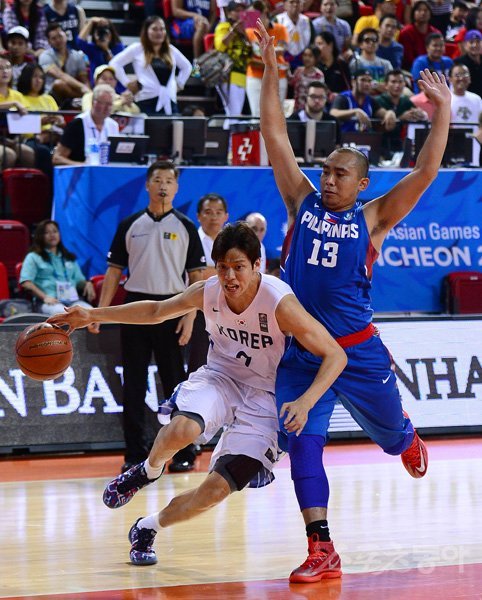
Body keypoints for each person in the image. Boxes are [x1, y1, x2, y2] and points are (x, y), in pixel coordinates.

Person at [256, 17, 451, 583]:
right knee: (304, 445)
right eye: (326, 171)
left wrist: (444, 113)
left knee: (392, 439)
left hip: (359, 350)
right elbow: (274, 135)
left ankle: (407, 436)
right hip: (304, 353)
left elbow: (428, 169)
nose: (329, 178)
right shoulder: (302, 201)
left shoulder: (374, 217)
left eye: (340, 174)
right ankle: (322, 547)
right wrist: (271, 71)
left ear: (362, 183)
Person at [48, 222, 347, 567]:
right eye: (222, 267)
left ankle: (147, 527)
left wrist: (307, 400)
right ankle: (148, 469)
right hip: (221, 378)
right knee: (183, 430)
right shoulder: (208, 291)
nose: (230, 277)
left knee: (215, 491)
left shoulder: (279, 302)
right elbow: (157, 311)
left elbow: (335, 354)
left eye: (238, 267)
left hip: (266, 396)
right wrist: (93, 314)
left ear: (256, 266)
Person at [88, 161, 205, 474]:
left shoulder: (186, 227)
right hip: (136, 307)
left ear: (177, 187)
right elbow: (114, 273)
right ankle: (135, 452)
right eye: (158, 180)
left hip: (173, 306)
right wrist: (99, 312)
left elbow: (197, 276)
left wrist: (190, 315)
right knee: (134, 384)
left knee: (176, 385)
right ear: (147, 185)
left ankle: (183, 451)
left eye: (169, 180)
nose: (163, 185)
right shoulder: (130, 224)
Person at [110, 16, 191, 116]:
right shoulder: (137, 48)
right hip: (146, 100)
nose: (159, 32)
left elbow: (187, 67)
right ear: (146, 31)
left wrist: (179, 83)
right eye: (154, 29)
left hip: (169, 100)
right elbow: (114, 63)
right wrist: (127, 83)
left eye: (162, 29)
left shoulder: (171, 50)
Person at [187, 193, 230, 373]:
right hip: (199, 310)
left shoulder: (232, 241)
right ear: (198, 215)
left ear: (226, 216)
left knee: (230, 366)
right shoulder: (190, 239)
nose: (214, 217)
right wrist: (226, 269)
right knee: (198, 364)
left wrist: (207, 270)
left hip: (230, 312)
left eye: (219, 212)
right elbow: (196, 275)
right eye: (208, 212)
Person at [20, 219, 95, 315]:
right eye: (47, 232)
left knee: (91, 313)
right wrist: (44, 297)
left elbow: (79, 281)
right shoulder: (33, 257)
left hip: (73, 301)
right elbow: (26, 283)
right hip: (48, 302)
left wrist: (87, 284)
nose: (52, 235)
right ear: (40, 236)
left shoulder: (68, 257)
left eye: (55, 231)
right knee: (62, 314)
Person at [52, 84, 119, 165]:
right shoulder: (77, 124)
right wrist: (83, 166)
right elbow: (57, 158)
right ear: (93, 102)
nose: (107, 108)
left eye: (110, 104)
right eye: (103, 103)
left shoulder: (113, 125)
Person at [245, 0, 289, 117]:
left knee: (277, 116)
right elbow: (248, 58)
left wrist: (262, 53)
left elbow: (282, 51)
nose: (251, 17)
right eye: (250, 14)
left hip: (278, 76)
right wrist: (271, 56)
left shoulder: (280, 28)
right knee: (257, 115)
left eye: (255, 14)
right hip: (255, 76)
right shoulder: (248, 31)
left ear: (265, 12)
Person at [214, 1, 252, 121]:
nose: (240, 13)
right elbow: (220, 46)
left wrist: (245, 34)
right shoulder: (223, 26)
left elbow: (252, 53)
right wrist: (233, 30)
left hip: (242, 75)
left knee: (234, 114)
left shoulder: (246, 31)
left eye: (242, 11)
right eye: (236, 10)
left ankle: (230, 139)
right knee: (233, 115)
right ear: (229, 13)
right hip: (227, 75)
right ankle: (229, 139)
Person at [377, 68, 428, 155]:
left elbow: (423, 115)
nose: (397, 85)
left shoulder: (406, 100)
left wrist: (420, 114)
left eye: (400, 82)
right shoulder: (378, 101)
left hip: (400, 145)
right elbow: (380, 127)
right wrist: (401, 118)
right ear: (386, 85)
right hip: (380, 145)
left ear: (405, 84)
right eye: (393, 82)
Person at [330, 68, 397, 133]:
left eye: (369, 81)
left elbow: (382, 112)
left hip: (364, 140)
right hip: (345, 139)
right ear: (353, 82)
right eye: (363, 80)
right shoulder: (343, 97)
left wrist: (390, 113)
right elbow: (333, 113)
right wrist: (355, 112)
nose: (367, 84)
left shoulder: (370, 100)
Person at [39, 22, 90, 105]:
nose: (58, 40)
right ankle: (81, 98)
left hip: (71, 90)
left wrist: (87, 89)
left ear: (66, 35)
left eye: (60, 36)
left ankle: (83, 100)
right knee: (59, 84)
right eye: (54, 38)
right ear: (49, 41)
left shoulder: (78, 56)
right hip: (50, 94)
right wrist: (82, 88)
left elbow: (84, 79)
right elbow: (60, 75)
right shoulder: (45, 56)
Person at [0, 56, 36, 168]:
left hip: (12, 140)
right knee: (9, 155)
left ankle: (23, 184)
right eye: (0, 68)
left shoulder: (17, 96)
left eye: (7, 67)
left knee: (28, 153)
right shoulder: (15, 101)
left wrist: (16, 139)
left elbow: (25, 121)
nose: (5, 71)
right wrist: (12, 104)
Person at [76, 17, 125, 88]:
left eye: (105, 31)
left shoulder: (119, 47)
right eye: (99, 32)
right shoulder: (92, 48)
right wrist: (91, 22)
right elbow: (79, 42)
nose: (102, 34)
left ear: (111, 33)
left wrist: (106, 49)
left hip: (117, 87)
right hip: (97, 86)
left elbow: (115, 66)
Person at [399, 1, 441, 70]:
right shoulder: (406, 32)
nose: (423, 13)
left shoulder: (436, 32)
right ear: (413, 13)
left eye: (426, 10)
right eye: (419, 10)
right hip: (412, 69)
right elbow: (408, 58)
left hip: (434, 69)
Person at [349, 28, 393, 93]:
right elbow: (355, 88)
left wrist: (373, 85)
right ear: (361, 44)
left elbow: (391, 88)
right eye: (367, 40)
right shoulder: (355, 63)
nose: (371, 43)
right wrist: (378, 86)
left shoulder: (386, 63)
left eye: (374, 40)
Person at [274, 0, 314, 69]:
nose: (295, 5)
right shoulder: (277, 20)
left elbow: (312, 41)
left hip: (303, 60)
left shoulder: (307, 21)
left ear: (302, 5)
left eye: (298, 2)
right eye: (291, 2)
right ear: (285, 5)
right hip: (282, 60)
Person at [290, 45, 325, 112]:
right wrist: (287, 71)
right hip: (297, 110)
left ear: (316, 58)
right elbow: (291, 83)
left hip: (311, 111)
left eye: (310, 56)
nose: (306, 58)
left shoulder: (319, 75)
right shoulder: (298, 71)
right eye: (305, 55)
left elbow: (319, 92)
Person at [454, 30, 482, 98]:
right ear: (465, 44)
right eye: (471, 42)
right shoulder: (458, 63)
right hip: (467, 100)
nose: (475, 45)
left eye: (478, 42)